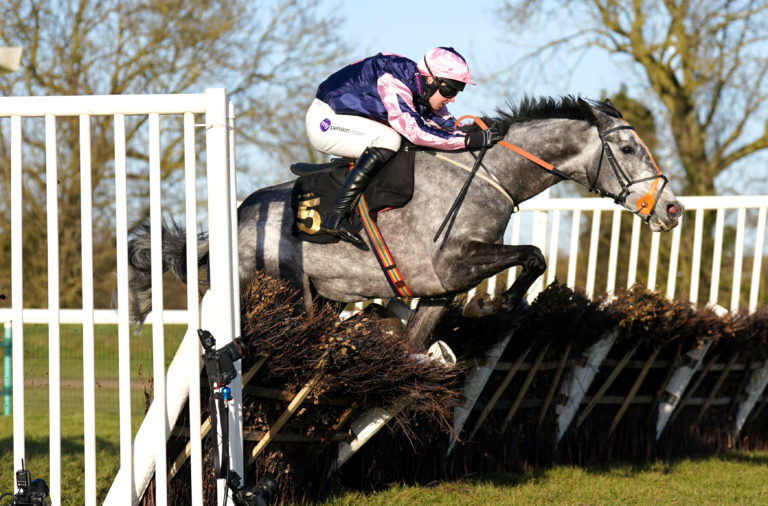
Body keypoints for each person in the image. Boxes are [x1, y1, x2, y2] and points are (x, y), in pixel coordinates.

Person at [305, 46, 500, 250]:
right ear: (431, 79)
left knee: (397, 141)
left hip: (345, 119)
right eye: (449, 90)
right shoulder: (394, 82)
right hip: (325, 122)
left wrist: (478, 130)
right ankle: (336, 216)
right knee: (390, 139)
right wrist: (468, 141)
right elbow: (415, 130)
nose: (452, 98)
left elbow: (447, 125)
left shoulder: (420, 87)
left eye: (458, 91)